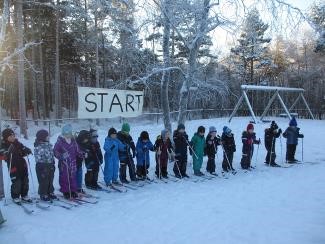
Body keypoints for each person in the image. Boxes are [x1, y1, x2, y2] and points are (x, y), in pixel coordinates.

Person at [2, 128, 32, 203]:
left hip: (22, 165)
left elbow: (23, 149)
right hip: (13, 166)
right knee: (16, 182)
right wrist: (6, 154)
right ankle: (15, 196)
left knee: (25, 180)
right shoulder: (4, 145)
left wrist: (26, 150)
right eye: (10, 136)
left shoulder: (17, 143)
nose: (13, 137)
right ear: (6, 137)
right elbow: (2, 154)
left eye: (13, 136)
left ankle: (24, 194)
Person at [54, 124, 84, 199]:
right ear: (63, 133)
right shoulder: (60, 141)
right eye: (66, 134)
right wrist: (61, 156)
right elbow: (55, 151)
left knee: (73, 177)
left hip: (73, 162)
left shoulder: (73, 141)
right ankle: (66, 191)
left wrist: (82, 154)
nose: (68, 135)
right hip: (64, 164)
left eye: (69, 133)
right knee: (65, 177)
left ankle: (73, 190)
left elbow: (77, 150)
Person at [34, 129, 57, 201]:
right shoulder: (38, 146)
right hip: (42, 167)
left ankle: (50, 191)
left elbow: (51, 154)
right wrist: (43, 165)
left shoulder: (49, 145)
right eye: (47, 136)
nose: (48, 137)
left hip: (50, 165)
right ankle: (43, 193)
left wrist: (53, 162)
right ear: (42, 137)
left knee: (50, 179)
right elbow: (38, 157)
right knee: (44, 180)